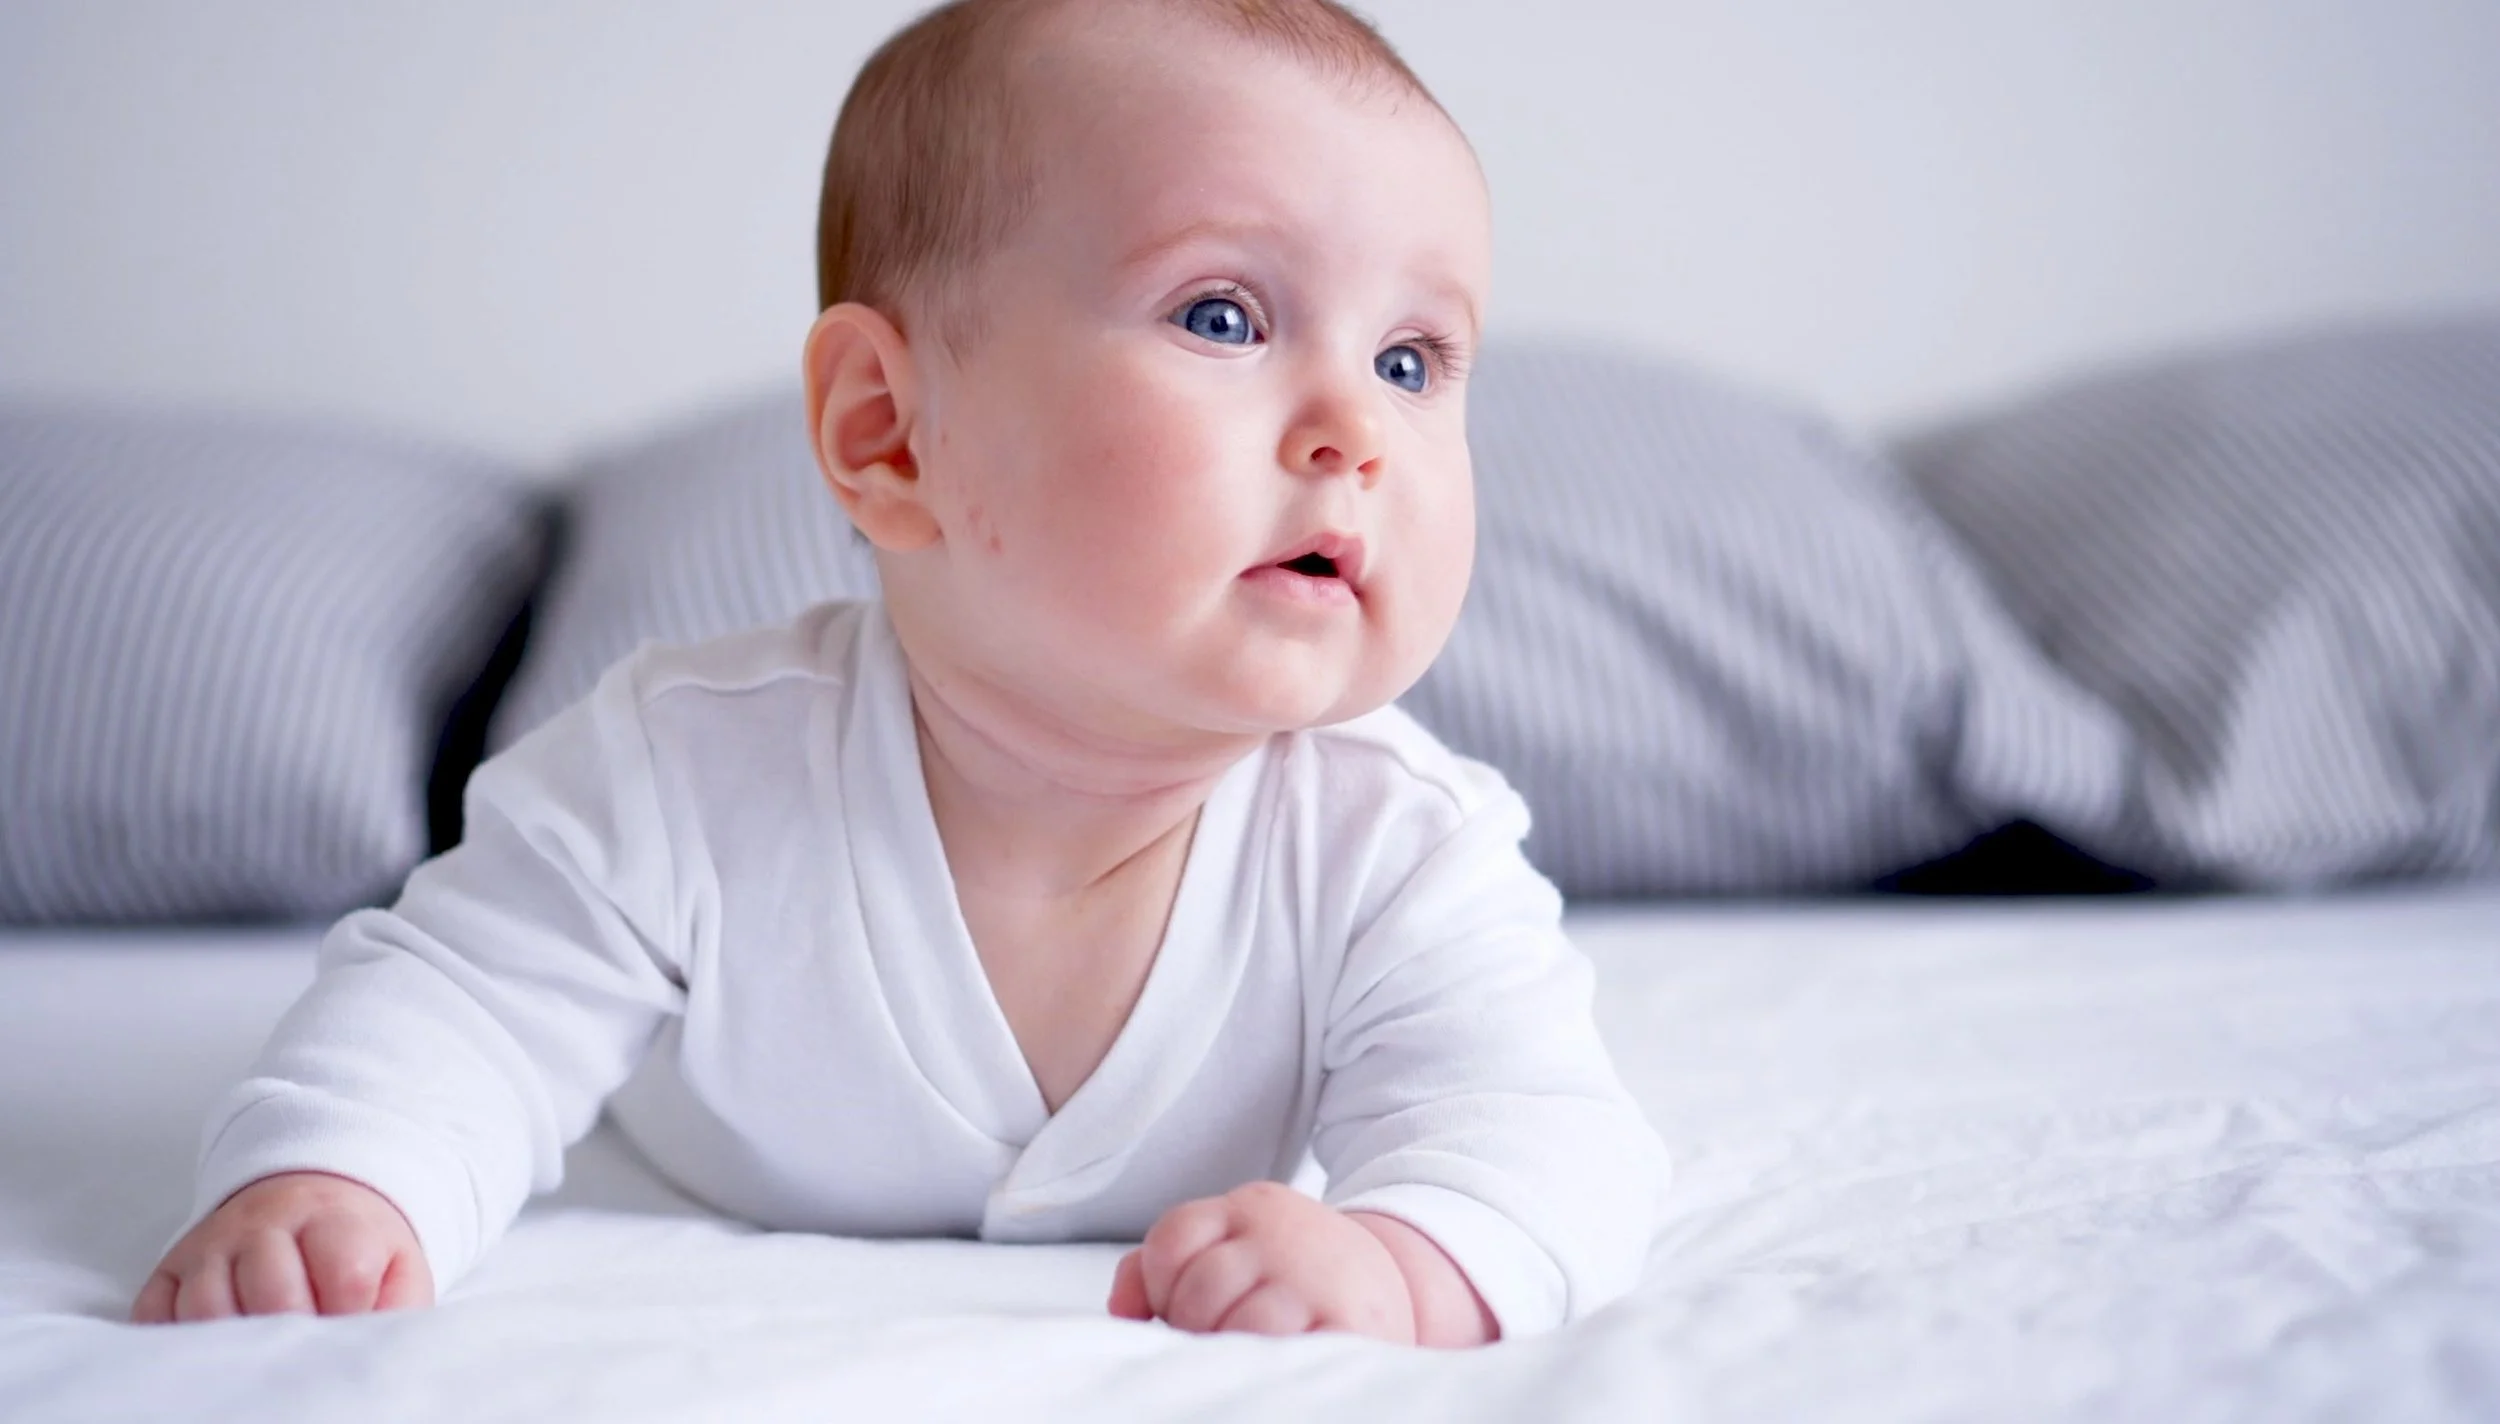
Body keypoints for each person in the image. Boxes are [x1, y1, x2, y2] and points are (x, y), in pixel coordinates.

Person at [132, 0, 1668, 1347]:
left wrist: (1402, 1265)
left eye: (1416, 359)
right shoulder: (680, 769)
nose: (1358, 427)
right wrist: (334, 1178)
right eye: (1224, 315)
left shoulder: (1398, 844)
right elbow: (462, 1003)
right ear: (888, 432)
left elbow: (1543, 1133)